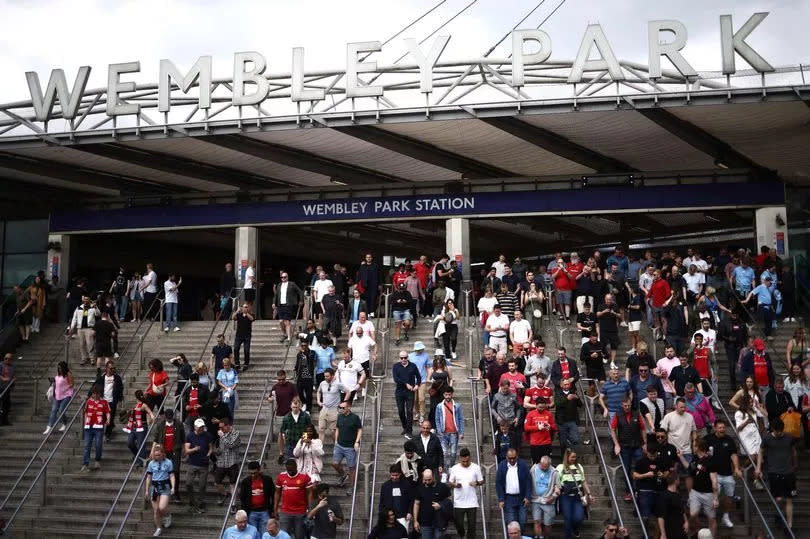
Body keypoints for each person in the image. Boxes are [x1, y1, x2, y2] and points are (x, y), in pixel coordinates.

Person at [755, 417, 797, 530]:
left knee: (789, 499)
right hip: (774, 472)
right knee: (778, 498)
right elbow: (760, 452)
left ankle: (790, 524)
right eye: (776, 431)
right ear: (772, 429)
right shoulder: (767, 438)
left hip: (788, 472)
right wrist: (758, 468)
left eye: (780, 431)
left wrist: (794, 464)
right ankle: (779, 516)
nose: (778, 433)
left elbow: (793, 451)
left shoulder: (789, 438)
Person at [705, 419, 741, 529]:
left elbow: (733, 455)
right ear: (715, 428)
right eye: (720, 427)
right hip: (713, 474)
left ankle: (725, 516)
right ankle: (712, 518)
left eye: (723, 427)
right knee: (714, 496)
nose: (722, 430)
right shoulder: (708, 439)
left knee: (729, 497)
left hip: (727, 474)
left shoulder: (729, 440)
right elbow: (699, 449)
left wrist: (737, 468)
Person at [610, 396, 647, 502]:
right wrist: (616, 444)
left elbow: (643, 429)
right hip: (624, 446)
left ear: (631, 405)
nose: (627, 407)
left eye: (629, 405)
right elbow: (612, 430)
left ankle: (639, 490)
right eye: (625, 405)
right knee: (626, 469)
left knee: (640, 467)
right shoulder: (618, 415)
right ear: (622, 405)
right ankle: (629, 491)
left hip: (637, 445)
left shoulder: (637, 413)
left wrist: (644, 443)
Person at [660, 398, 697, 490]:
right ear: (675, 406)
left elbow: (694, 431)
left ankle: (691, 496)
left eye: (684, 407)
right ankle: (674, 494)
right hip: (673, 450)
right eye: (681, 407)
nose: (683, 409)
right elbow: (663, 432)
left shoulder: (690, 416)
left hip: (687, 450)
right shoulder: (669, 416)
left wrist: (694, 444)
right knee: (673, 474)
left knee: (689, 474)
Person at [686, 438, 719, 538]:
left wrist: (716, 498)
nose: (692, 447)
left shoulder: (710, 461)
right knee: (692, 516)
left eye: (694, 445)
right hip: (695, 492)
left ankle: (711, 537)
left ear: (698, 447)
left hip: (708, 493)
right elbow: (690, 469)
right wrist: (681, 458)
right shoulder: (694, 458)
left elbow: (714, 481)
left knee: (711, 518)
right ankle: (697, 535)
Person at [447, 447, 483, 539]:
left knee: (472, 527)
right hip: (459, 502)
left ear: (470, 458)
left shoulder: (476, 467)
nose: (465, 463)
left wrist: (477, 483)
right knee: (459, 525)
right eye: (463, 461)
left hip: (472, 502)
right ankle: (462, 535)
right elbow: (450, 483)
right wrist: (455, 485)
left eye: (467, 461)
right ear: (460, 459)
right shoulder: (455, 468)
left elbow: (481, 481)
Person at [556, 449, 592, 539]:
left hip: (577, 497)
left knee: (579, 517)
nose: (574, 458)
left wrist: (589, 493)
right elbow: (556, 481)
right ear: (567, 457)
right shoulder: (560, 467)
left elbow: (583, 481)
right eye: (572, 457)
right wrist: (556, 488)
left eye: (575, 457)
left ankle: (575, 529)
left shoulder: (579, 466)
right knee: (567, 518)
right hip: (565, 497)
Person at [274, 458, 314, 539]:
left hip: (300, 512)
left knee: (299, 536)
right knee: (284, 536)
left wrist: (310, 508)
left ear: (296, 466)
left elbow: (310, 493)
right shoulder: (281, 476)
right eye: (289, 470)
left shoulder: (304, 477)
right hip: (285, 512)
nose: (290, 472)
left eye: (292, 470)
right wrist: (275, 509)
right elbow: (277, 493)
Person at [495, 448, 531, 530]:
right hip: (509, 499)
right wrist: (501, 499)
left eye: (514, 458)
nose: (511, 460)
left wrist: (528, 496)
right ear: (506, 457)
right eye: (509, 458)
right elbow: (498, 484)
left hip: (522, 499)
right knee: (511, 524)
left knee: (522, 522)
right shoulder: (502, 465)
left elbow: (528, 481)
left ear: (517, 456)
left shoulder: (523, 465)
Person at [144, 443, 175, 537]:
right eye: (155, 455)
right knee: (156, 510)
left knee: (162, 507)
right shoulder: (151, 463)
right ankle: (158, 528)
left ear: (162, 453)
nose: (156, 456)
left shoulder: (168, 462)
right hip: (154, 487)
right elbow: (149, 477)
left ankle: (167, 515)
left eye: (158, 455)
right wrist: (146, 490)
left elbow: (172, 475)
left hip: (165, 486)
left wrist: (173, 487)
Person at [185, 417, 213, 514]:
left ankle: (201, 502)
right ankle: (192, 501)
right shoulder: (190, 436)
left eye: (202, 427)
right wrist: (195, 449)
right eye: (199, 427)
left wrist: (209, 454)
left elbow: (210, 447)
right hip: (192, 463)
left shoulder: (207, 435)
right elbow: (187, 450)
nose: (201, 429)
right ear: (195, 427)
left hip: (203, 464)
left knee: (202, 485)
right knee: (188, 483)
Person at [413, 468, 451, 539]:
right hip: (425, 522)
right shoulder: (419, 488)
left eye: (429, 479)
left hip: (439, 521)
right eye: (425, 480)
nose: (427, 482)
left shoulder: (442, 487)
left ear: (433, 476)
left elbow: (449, 501)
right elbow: (416, 504)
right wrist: (415, 521)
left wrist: (441, 505)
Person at [81, 383, 110, 472]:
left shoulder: (104, 402)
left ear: (100, 394)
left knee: (98, 445)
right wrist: (86, 421)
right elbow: (85, 412)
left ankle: (97, 460)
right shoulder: (88, 401)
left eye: (97, 393)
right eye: (94, 393)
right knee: (87, 445)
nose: (95, 395)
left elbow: (108, 412)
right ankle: (85, 464)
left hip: (99, 427)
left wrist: (108, 420)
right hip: (88, 427)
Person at [239, 460, 275, 534]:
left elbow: (273, 495)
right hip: (252, 512)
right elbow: (242, 498)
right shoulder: (245, 482)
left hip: (265, 511)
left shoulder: (267, 480)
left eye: (255, 473)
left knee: (265, 534)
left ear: (259, 470)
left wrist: (272, 510)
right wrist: (245, 512)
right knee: (253, 534)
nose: (253, 475)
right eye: (251, 473)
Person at [333, 399, 362, 488]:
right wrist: (336, 440)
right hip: (339, 445)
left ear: (349, 407)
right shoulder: (340, 416)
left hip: (350, 447)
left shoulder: (355, 417)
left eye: (343, 407)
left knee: (352, 468)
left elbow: (359, 429)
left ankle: (352, 487)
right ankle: (344, 475)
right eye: (340, 407)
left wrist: (357, 441)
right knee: (335, 463)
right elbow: (337, 428)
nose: (341, 409)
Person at [529, 455, 559, 539]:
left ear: (550, 464)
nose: (544, 469)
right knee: (537, 521)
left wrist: (553, 497)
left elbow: (558, 488)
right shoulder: (534, 469)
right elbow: (528, 482)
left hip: (548, 500)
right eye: (542, 466)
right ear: (540, 463)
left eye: (546, 467)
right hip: (536, 499)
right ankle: (538, 537)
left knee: (548, 524)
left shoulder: (554, 472)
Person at [434, 387, 463, 473]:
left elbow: (461, 419)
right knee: (444, 453)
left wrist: (461, 432)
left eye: (449, 394)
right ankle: (445, 470)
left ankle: (452, 468)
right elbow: (437, 419)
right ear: (443, 395)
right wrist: (439, 431)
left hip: (454, 432)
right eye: (446, 394)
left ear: (452, 394)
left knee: (453, 453)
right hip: (443, 433)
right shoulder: (439, 406)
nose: (448, 396)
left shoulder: (457, 406)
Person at [214, 418, 242, 507]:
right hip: (222, 462)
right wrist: (216, 451)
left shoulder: (236, 433)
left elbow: (231, 445)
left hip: (232, 462)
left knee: (233, 484)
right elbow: (221, 448)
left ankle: (233, 504)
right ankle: (225, 494)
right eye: (219, 427)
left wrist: (222, 436)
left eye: (222, 427)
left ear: (228, 425)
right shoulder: (222, 434)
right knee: (217, 482)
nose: (220, 429)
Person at [393, 350, 421, 439]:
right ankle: (405, 427)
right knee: (401, 411)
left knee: (409, 411)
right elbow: (396, 379)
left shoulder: (413, 366)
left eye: (405, 357)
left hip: (410, 392)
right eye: (402, 358)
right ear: (400, 358)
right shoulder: (396, 366)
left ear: (408, 357)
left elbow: (419, 377)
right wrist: (406, 384)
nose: (403, 359)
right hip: (400, 392)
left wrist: (417, 385)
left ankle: (409, 431)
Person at [380, 463, 415, 530]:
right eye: (392, 475)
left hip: (403, 516)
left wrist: (409, 512)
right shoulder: (385, 486)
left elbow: (411, 499)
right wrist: (383, 515)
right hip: (389, 516)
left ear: (400, 474)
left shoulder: (406, 485)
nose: (394, 477)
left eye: (396, 475)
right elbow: (382, 502)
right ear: (390, 474)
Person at [554, 378, 582, 459]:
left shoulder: (573, 392)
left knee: (575, 440)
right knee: (563, 442)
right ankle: (564, 460)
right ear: (561, 385)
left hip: (572, 421)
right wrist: (567, 399)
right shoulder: (558, 393)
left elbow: (580, 405)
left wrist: (577, 398)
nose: (567, 386)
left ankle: (574, 459)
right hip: (562, 421)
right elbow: (557, 404)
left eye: (568, 384)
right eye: (565, 384)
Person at [44, 361, 74, 435]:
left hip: (66, 395)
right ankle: (49, 427)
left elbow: (72, 384)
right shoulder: (58, 374)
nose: (59, 369)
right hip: (58, 395)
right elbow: (56, 382)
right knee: (54, 410)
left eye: (60, 368)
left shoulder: (68, 374)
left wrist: (65, 388)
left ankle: (64, 423)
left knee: (61, 410)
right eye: (58, 368)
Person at [68, 294, 100, 366]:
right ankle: (84, 358)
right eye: (84, 299)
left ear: (89, 300)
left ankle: (92, 359)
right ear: (83, 300)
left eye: (87, 299)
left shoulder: (92, 307)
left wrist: (96, 307)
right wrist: (72, 327)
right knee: (81, 344)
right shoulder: (79, 307)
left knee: (90, 344)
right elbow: (74, 318)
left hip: (89, 328)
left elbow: (98, 314)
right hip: (80, 329)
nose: (85, 300)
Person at [656, 474, 689, 539]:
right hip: (670, 531)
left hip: (681, 530)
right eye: (678, 479)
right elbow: (660, 516)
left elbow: (682, 510)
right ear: (676, 481)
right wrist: (663, 534)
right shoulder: (663, 496)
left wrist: (686, 522)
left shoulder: (677, 495)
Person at [273, 271, 303, 344]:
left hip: (288, 305)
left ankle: (289, 338)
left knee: (287, 322)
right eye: (282, 277)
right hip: (280, 305)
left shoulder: (292, 284)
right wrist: (274, 303)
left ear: (287, 277)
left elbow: (300, 291)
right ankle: (285, 334)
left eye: (285, 277)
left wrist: (301, 300)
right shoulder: (279, 285)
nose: (283, 278)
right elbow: (276, 295)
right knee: (281, 321)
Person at [524, 397, 556, 463]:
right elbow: (526, 428)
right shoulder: (530, 414)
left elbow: (554, 427)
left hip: (546, 443)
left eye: (543, 407)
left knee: (547, 463)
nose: (542, 409)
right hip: (535, 444)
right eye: (540, 407)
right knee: (536, 463)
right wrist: (538, 427)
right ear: (536, 405)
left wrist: (549, 426)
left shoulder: (549, 414)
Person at [316, 368, 341, 442]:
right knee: (321, 429)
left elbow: (348, 392)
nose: (325, 378)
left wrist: (344, 402)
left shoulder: (338, 384)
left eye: (327, 376)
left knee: (333, 431)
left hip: (334, 410)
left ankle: (336, 446)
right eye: (325, 376)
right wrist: (318, 401)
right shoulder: (322, 383)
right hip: (324, 409)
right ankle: (320, 449)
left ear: (332, 376)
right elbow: (318, 392)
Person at [408, 341, 431, 423]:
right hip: (412, 381)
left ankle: (422, 414)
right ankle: (416, 413)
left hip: (422, 380)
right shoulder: (410, 356)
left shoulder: (426, 356)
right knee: (414, 399)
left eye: (422, 348)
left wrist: (428, 377)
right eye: (420, 348)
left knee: (421, 399)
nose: (421, 350)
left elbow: (428, 367)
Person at [293, 342, 316, 411]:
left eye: (305, 345)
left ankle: (309, 409)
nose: (303, 347)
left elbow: (311, 359)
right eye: (302, 345)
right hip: (300, 376)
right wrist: (296, 368)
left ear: (307, 345)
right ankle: (304, 402)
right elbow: (298, 363)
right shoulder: (299, 354)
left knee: (309, 394)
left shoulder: (311, 353)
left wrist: (304, 353)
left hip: (308, 377)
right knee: (299, 392)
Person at [232, 302, 255, 371]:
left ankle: (246, 364)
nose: (244, 308)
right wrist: (237, 311)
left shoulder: (251, 314)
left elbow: (252, 319)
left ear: (248, 308)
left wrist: (246, 313)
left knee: (246, 350)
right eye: (243, 307)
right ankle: (237, 364)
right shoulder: (239, 314)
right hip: (239, 335)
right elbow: (233, 318)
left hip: (247, 336)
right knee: (236, 348)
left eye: (246, 307)